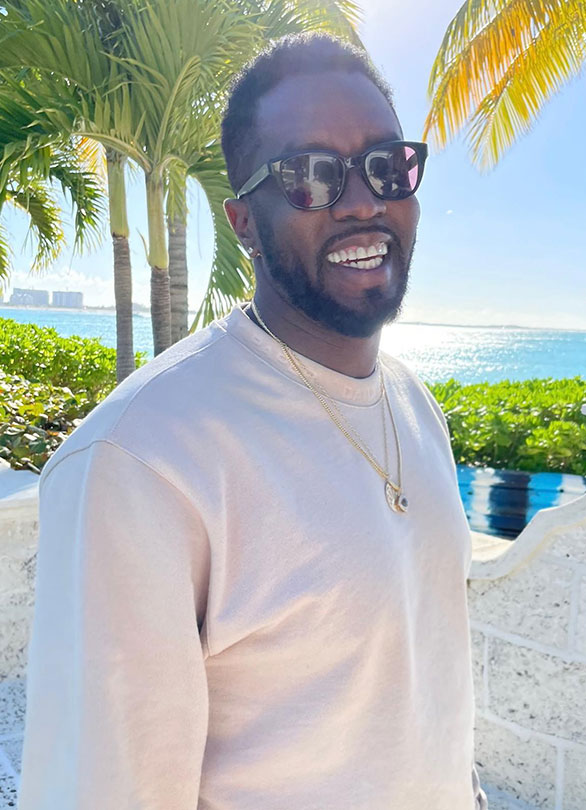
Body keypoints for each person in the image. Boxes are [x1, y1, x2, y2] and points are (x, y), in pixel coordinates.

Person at [18, 33, 488, 810]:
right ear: (242, 222)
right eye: (311, 176)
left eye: (386, 165)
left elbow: (422, 681)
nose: (363, 199)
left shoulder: (414, 406)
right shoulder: (142, 459)